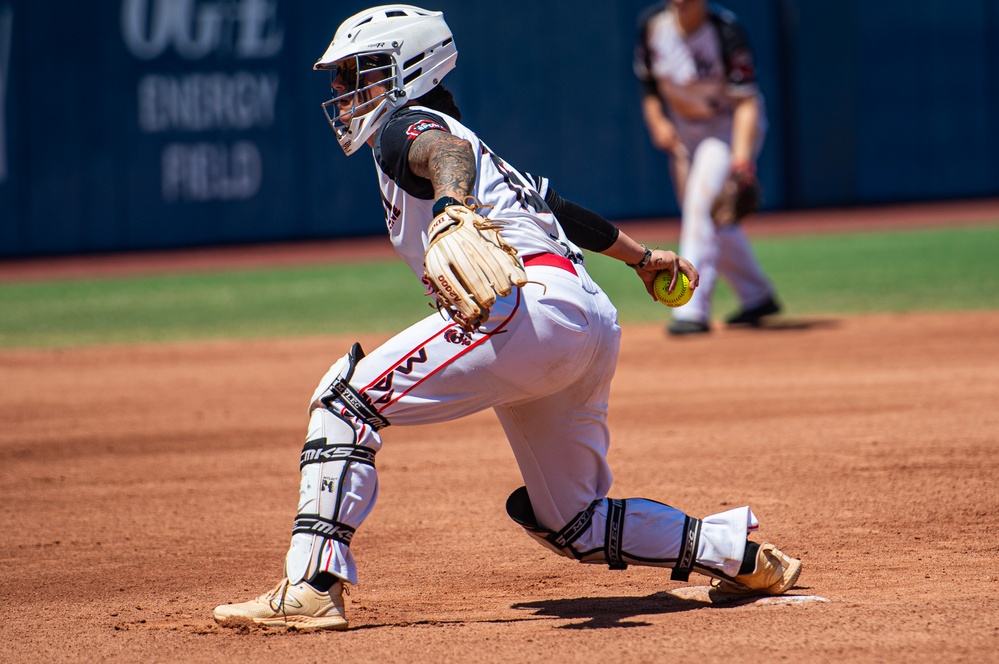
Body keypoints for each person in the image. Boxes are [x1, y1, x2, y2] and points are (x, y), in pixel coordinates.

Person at [212, 4, 801, 632]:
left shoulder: (404, 127)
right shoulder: (483, 149)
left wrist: (451, 207)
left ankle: (309, 587)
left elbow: (440, 157)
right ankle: (736, 555)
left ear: (409, 66)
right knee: (573, 521)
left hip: (528, 311)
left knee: (343, 401)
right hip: (587, 317)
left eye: (359, 72)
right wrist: (641, 258)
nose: (343, 89)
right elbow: (560, 209)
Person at [635, 0, 782, 335]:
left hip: (728, 127)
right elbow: (650, 89)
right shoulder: (653, 26)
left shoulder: (725, 30)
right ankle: (757, 295)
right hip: (686, 132)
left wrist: (742, 163)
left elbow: (746, 103)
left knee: (699, 207)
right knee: (710, 217)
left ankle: (690, 309)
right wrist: (658, 122)